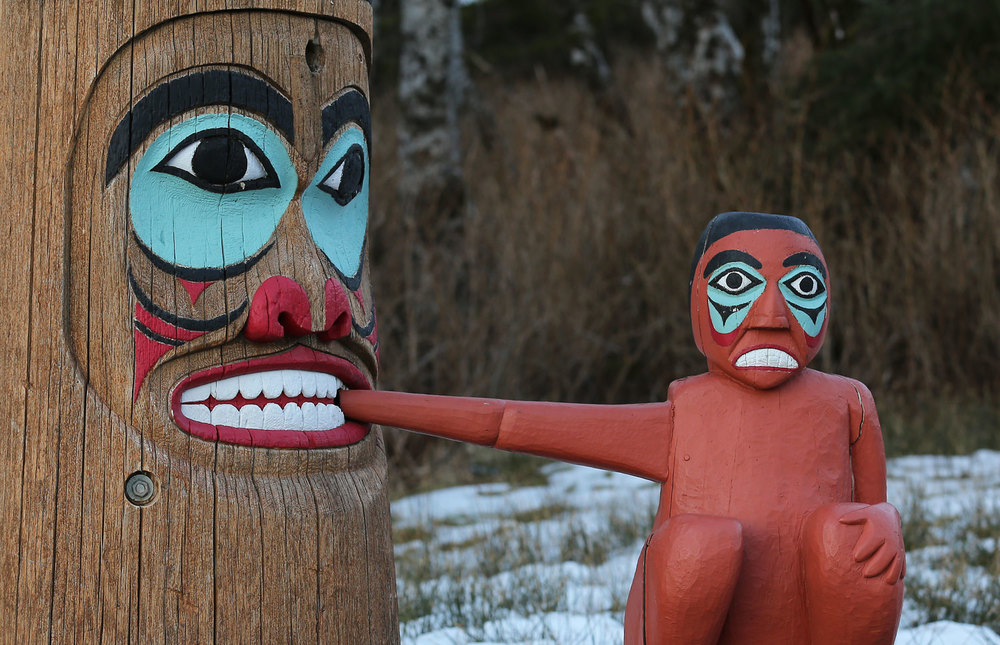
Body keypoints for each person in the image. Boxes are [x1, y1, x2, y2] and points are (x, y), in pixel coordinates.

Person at [342, 211, 905, 644]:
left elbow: (871, 510)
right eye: (737, 284)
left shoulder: (848, 403)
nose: (771, 316)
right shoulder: (688, 410)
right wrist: (368, 404)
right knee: (700, 544)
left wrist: (882, 522)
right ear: (696, 301)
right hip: (690, 620)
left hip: (813, 624)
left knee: (851, 538)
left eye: (802, 287)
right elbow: (505, 423)